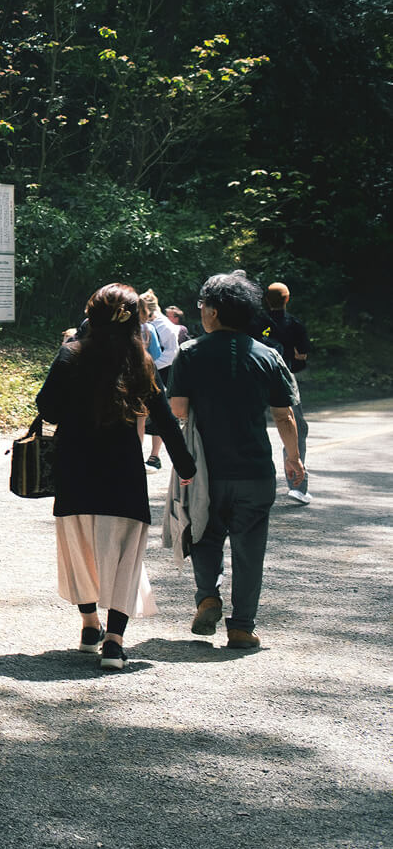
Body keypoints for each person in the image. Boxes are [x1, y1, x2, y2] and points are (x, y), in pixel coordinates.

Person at [35, 284, 197, 669]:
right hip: (122, 473)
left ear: (91, 315)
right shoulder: (139, 361)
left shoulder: (71, 354)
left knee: (80, 549)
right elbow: (164, 419)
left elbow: (47, 407)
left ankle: (90, 624)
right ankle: (114, 640)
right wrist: (185, 466)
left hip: (75, 469)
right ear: (135, 321)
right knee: (126, 556)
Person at [167, 273, 304, 650]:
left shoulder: (190, 352)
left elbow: (178, 408)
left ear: (211, 311)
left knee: (205, 534)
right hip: (255, 470)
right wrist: (293, 459)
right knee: (249, 547)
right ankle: (242, 627)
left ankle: (208, 597)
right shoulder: (268, 354)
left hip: (206, 469)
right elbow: (284, 416)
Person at [257, 282, 312, 504]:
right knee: (296, 426)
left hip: (257, 379)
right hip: (284, 377)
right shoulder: (295, 324)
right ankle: (297, 486)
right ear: (287, 299)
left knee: (254, 426)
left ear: (265, 300)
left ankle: (258, 484)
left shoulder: (256, 322)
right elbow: (302, 356)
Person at [141, 290, 182, 469]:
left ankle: (154, 455)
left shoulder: (163, 325)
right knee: (141, 415)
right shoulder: (148, 324)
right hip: (149, 368)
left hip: (162, 370)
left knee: (159, 414)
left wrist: (151, 367)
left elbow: (172, 352)